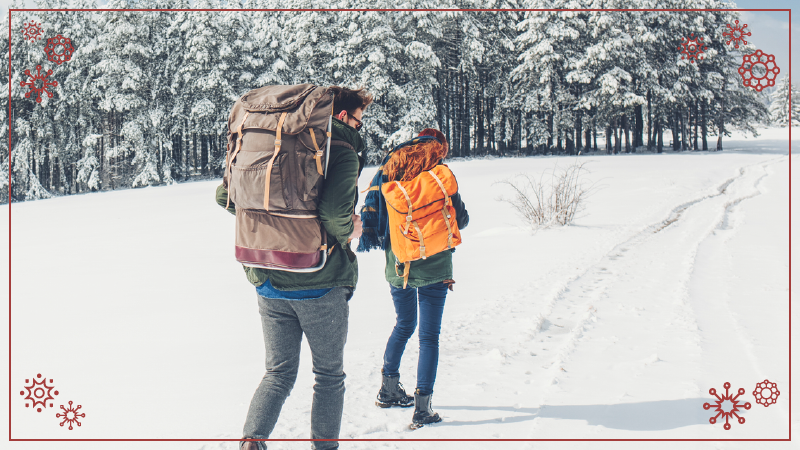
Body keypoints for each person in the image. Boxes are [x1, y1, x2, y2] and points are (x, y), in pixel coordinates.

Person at [216, 86, 372, 450]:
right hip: (320, 280)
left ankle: (251, 443)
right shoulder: (342, 149)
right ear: (342, 116)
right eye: (359, 121)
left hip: (267, 277)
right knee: (328, 376)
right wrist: (351, 229)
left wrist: (272, 224)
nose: (359, 128)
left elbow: (226, 197)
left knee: (278, 373)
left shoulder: (274, 141)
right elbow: (333, 216)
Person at [372, 129, 469, 428]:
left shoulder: (391, 170)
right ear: (439, 149)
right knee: (429, 337)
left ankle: (388, 389)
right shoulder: (440, 177)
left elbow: (380, 222)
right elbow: (462, 219)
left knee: (403, 324)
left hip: (398, 263)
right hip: (434, 265)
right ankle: (423, 407)